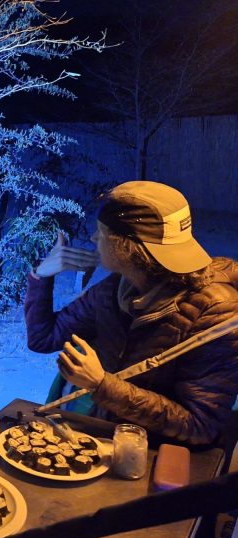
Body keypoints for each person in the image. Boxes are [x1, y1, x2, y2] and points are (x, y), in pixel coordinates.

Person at [26, 180, 238, 446]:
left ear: (125, 246)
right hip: (111, 438)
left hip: (160, 455)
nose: (93, 239)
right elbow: (43, 338)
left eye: (102, 233)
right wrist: (41, 276)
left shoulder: (215, 314)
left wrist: (102, 385)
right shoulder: (116, 289)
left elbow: (200, 425)